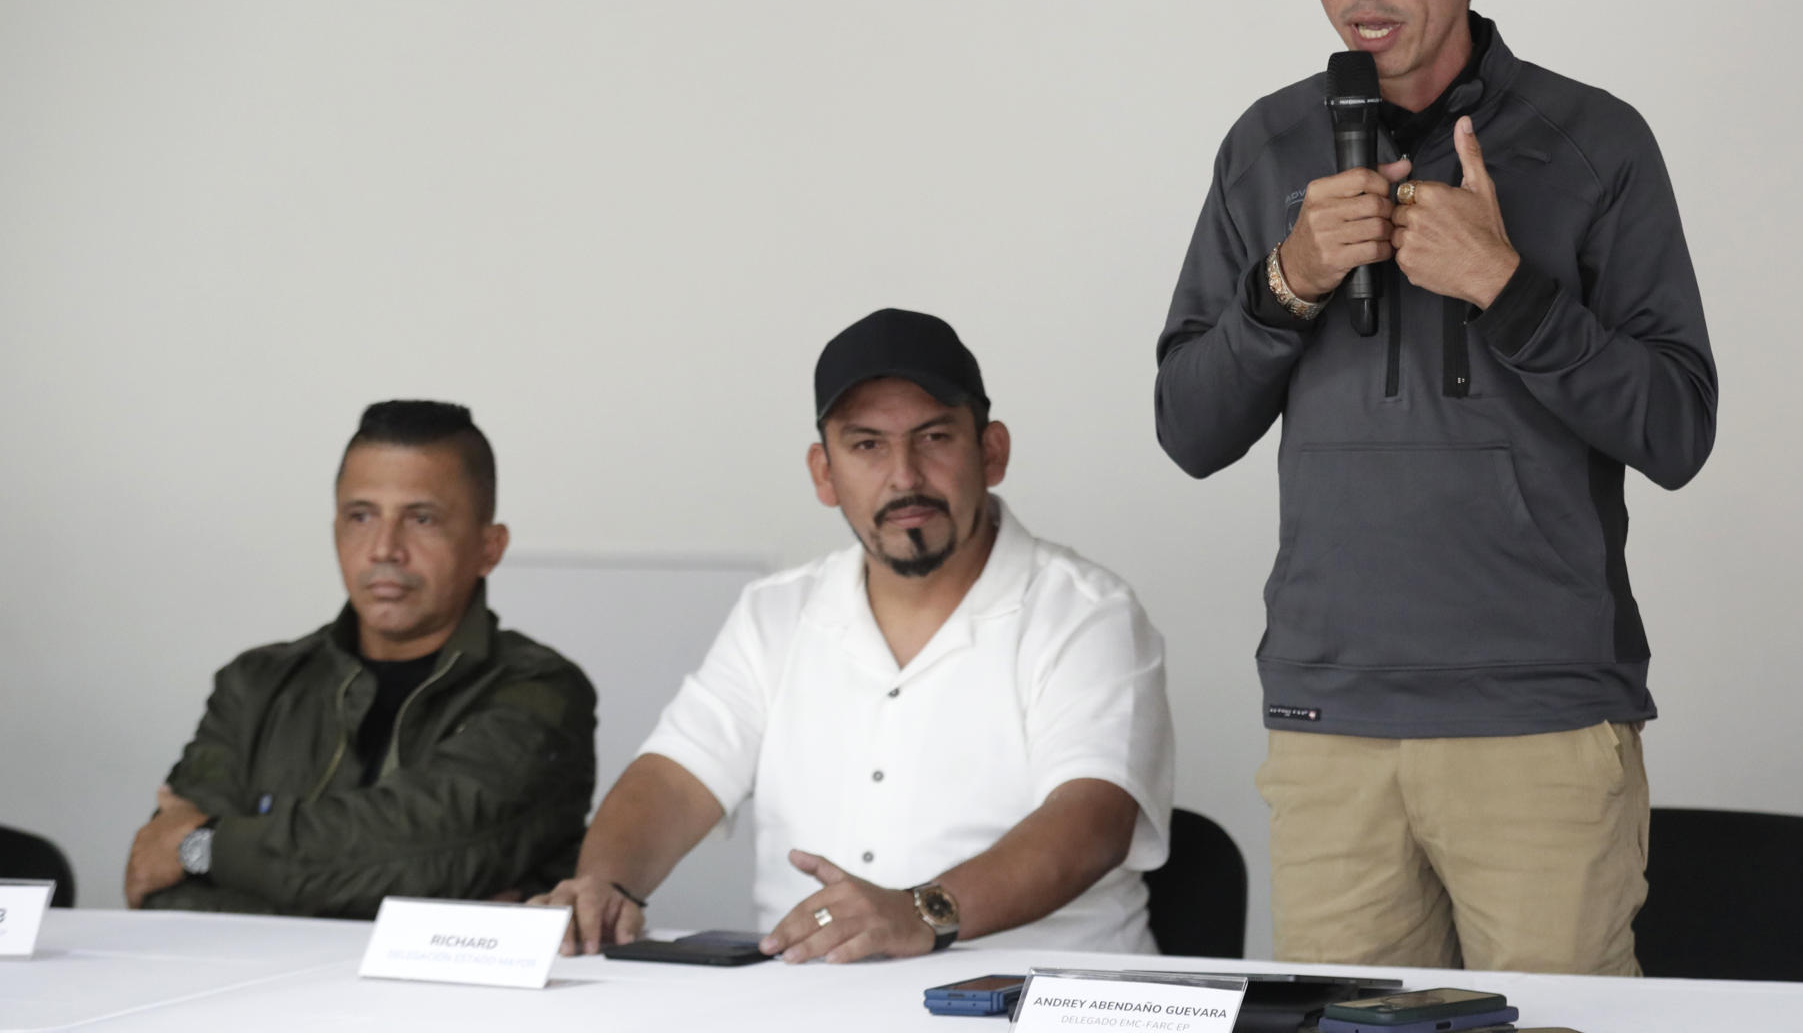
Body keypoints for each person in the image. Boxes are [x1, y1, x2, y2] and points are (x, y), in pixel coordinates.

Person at [1154, 0, 1716, 975]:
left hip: (1542, 720)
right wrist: (1288, 282)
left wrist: (1508, 289)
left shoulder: (1595, 143)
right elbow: (1188, 427)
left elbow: (1676, 426)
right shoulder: (1267, 149)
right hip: (1329, 723)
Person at [536, 308, 1173, 962]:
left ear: (991, 452)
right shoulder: (775, 613)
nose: (904, 476)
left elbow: (1092, 821)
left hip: (1047, 1001)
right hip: (815, 1000)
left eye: (933, 438)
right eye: (867, 444)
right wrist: (601, 887)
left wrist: (921, 912)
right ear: (824, 472)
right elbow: (673, 781)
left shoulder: (1086, 613)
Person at [125, 400, 597, 917]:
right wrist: (395, 896)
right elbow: (163, 886)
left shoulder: (541, 691)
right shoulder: (254, 685)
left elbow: (423, 857)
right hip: (251, 996)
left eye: (422, 518)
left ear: (489, 548)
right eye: (361, 516)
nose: (384, 549)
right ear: (336, 532)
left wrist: (203, 850)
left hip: (446, 999)